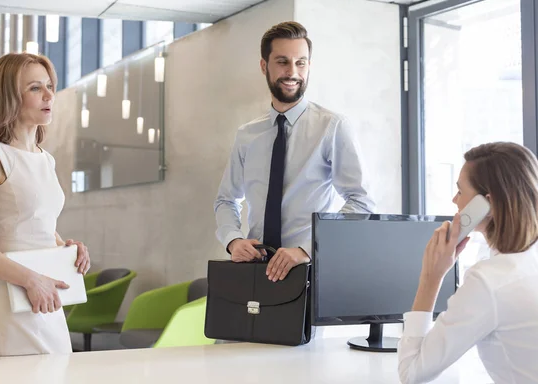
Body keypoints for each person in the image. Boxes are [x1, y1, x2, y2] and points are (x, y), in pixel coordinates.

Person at [0, 53, 90, 357]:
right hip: (11, 295)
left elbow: (37, 225)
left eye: (50, 86)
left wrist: (65, 247)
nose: (49, 95)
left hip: (45, 293)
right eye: (35, 88)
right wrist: (30, 279)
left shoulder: (46, 159)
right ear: (9, 96)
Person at [214, 21, 374, 282]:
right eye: (282, 62)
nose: (293, 72)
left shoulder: (332, 127)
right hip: (256, 271)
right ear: (264, 66)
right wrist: (233, 240)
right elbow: (226, 200)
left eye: (301, 62)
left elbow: (362, 201)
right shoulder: (247, 135)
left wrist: (306, 250)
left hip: (308, 273)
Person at [398, 142, 538, 384]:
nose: (455, 200)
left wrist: (431, 278)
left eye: (460, 192)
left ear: (487, 204)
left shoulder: (490, 280)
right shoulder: (522, 263)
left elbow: (411, 373)